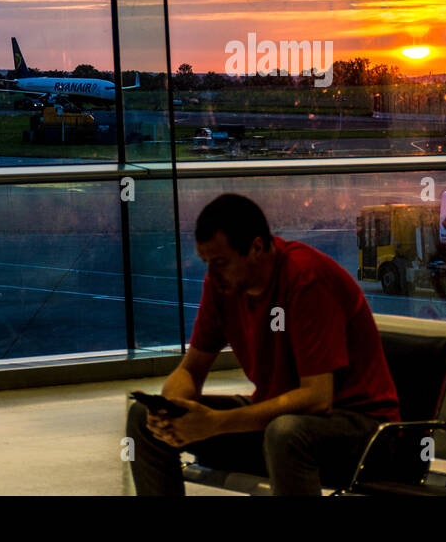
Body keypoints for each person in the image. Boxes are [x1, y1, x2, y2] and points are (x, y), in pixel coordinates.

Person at [126, 193, 400, 496]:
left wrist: (217, 423)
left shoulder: (306, 278)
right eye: (206, 263)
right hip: (278, 426)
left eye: (220, 262)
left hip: (362, 432)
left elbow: (317, 397)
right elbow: (191, 369)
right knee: (143, 420)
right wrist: (173, 411)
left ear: (256, 247)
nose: (211, 274)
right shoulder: (223, 285)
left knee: (286, 433)